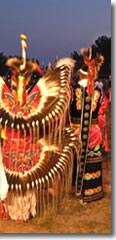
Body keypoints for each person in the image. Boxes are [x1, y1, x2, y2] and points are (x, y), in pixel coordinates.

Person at [0, 33, 81, 222]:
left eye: (22, 81)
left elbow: (46, 110)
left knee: (23, 183)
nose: (19, 84)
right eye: (18, 81)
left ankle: (21, 212)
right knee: (19, 184)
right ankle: (19, 212)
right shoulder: (11, 101)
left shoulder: (30, 102)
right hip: (19, 149)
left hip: (24, 150)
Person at [70, 47, 105, 203]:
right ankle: (91, 190)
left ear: (80, 74)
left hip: (76, 131)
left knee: (76, 159)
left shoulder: (72, 90)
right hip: (94, 132)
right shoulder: (99, 91)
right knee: (92, 160)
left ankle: (77, 189)